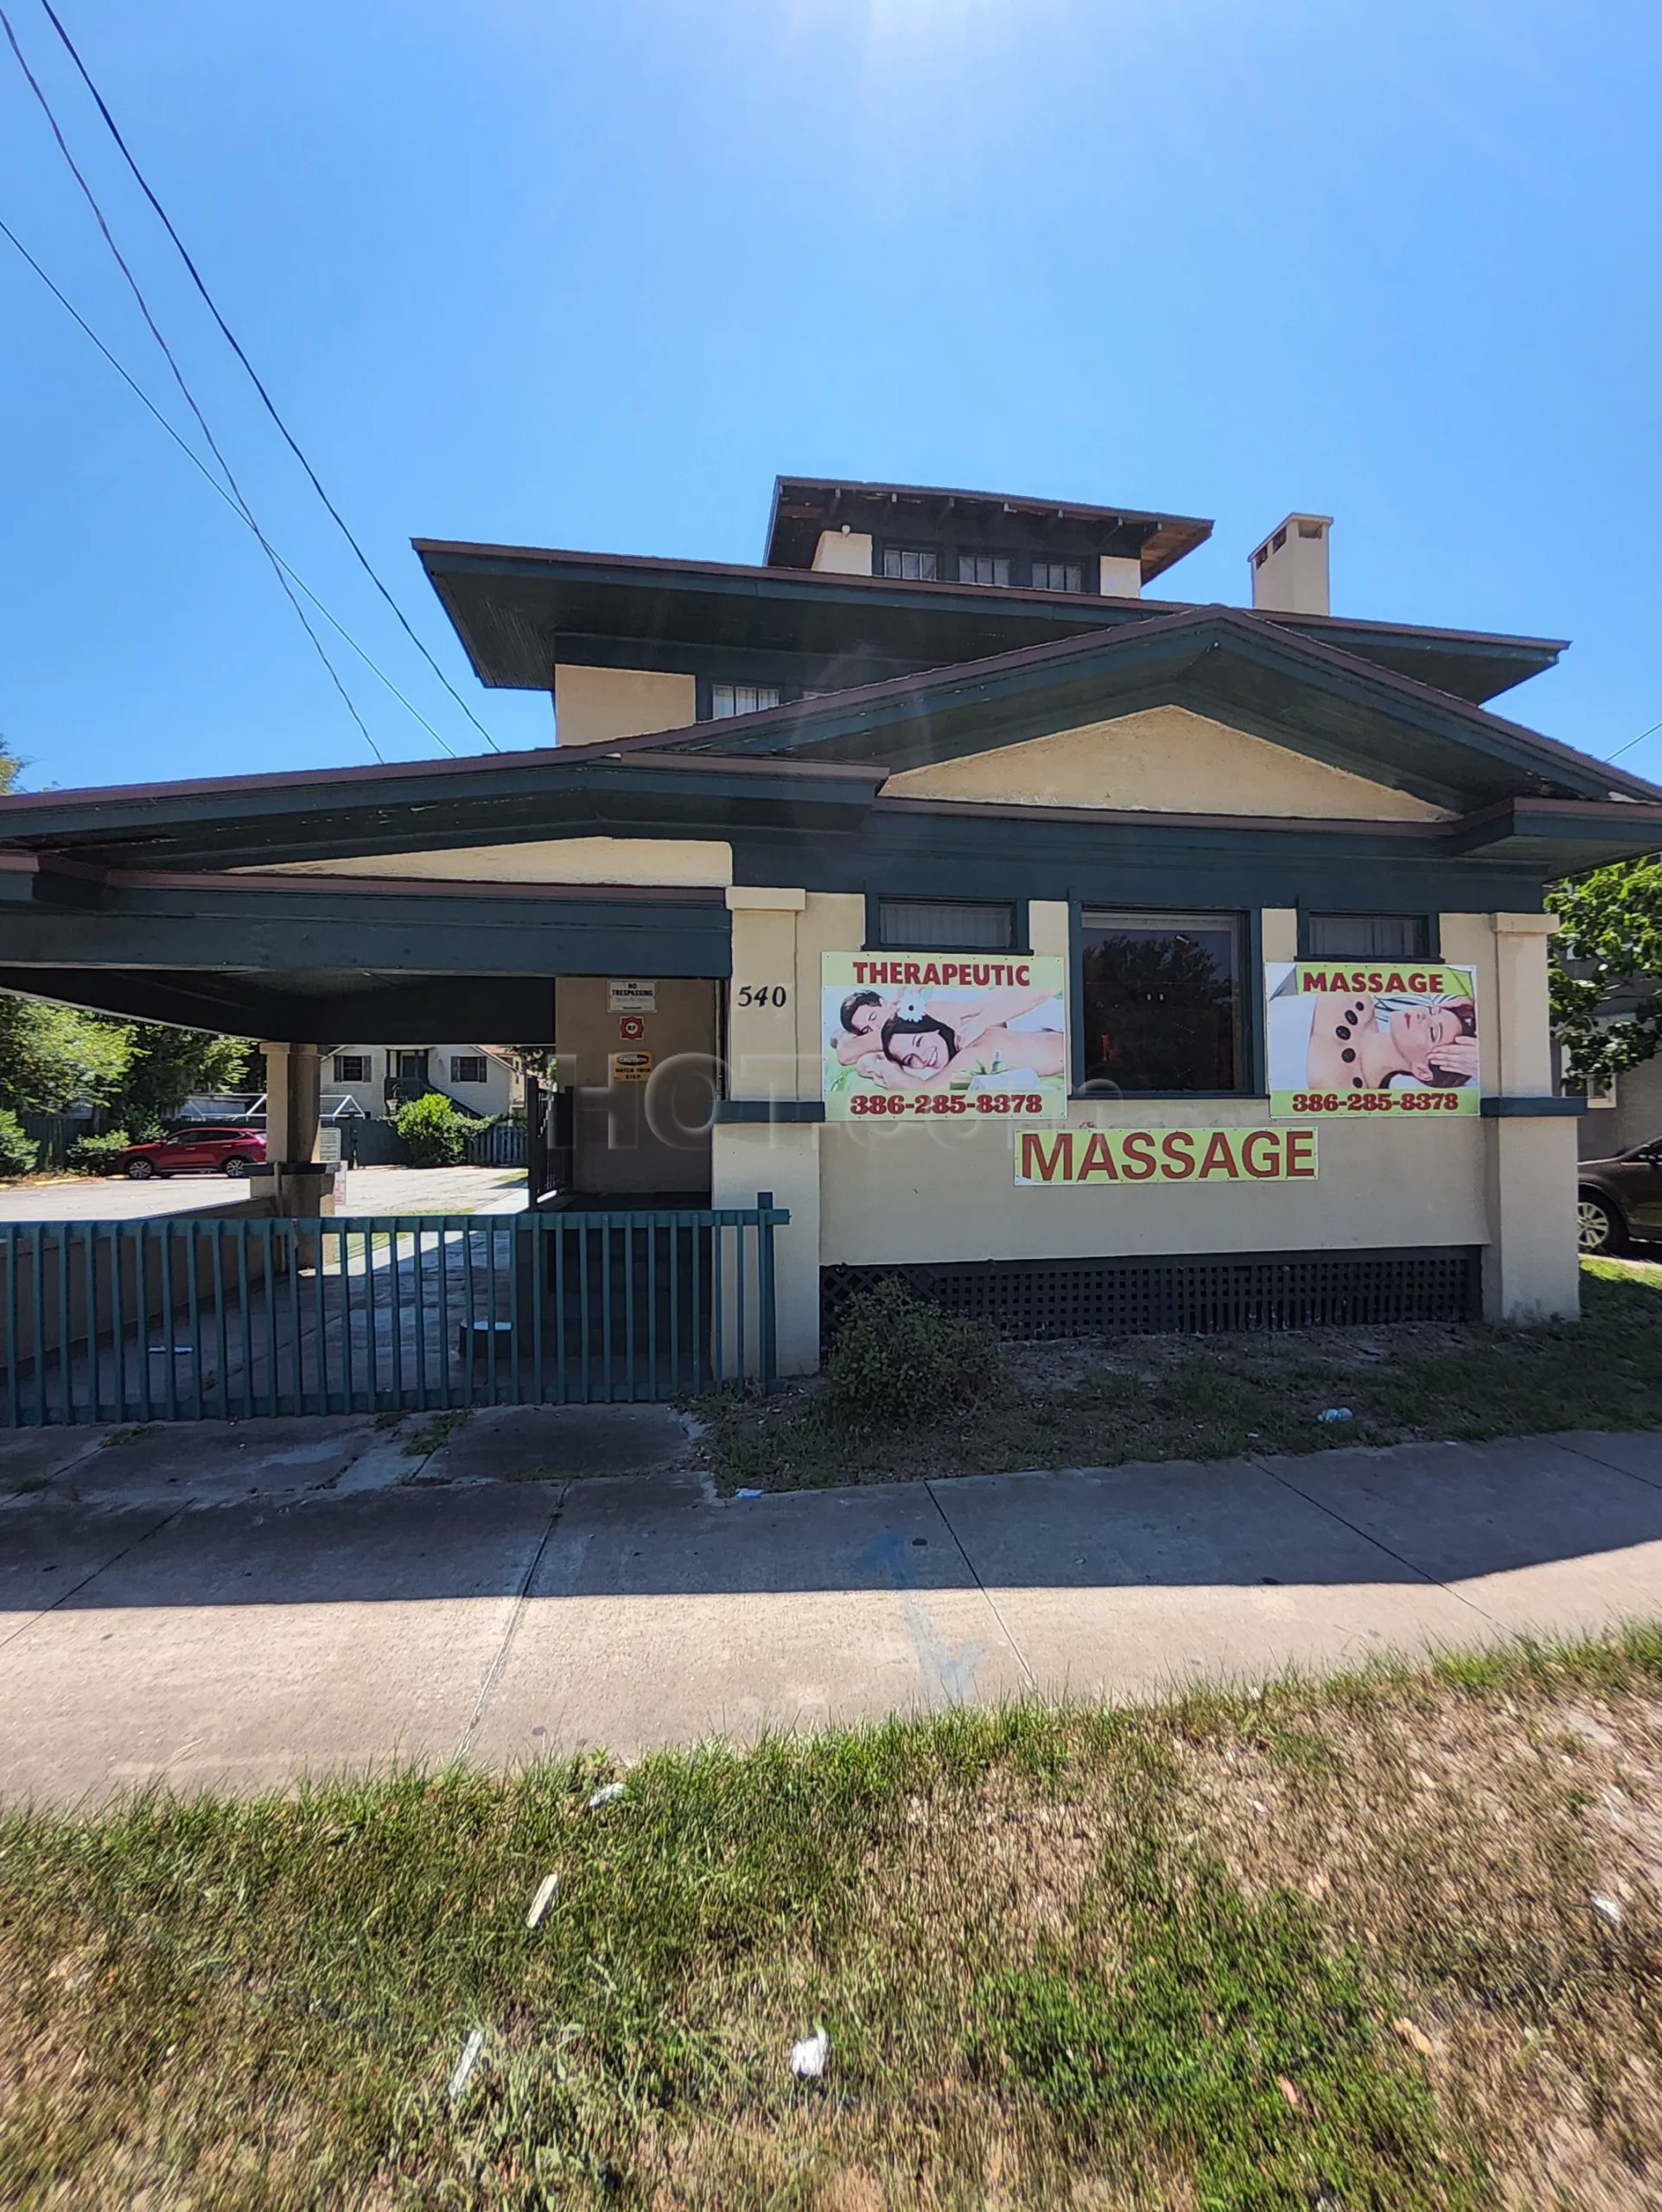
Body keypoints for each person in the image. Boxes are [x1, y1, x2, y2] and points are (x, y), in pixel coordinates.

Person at [1306, 991, 1478, 1091]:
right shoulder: (1356, 998)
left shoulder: (1348, 1095)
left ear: (1422, 1071)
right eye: (1432, 1011)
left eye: (1432, 1031)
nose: (1422, 1015)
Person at [872, 1009, 1066, 1092]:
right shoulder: (972, 1040)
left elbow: (924, 1093)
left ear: (934, 1028)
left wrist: (886, 1067)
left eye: (919, 1042)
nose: (922, 1058)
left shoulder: (976, 1050)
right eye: (910, 1059)